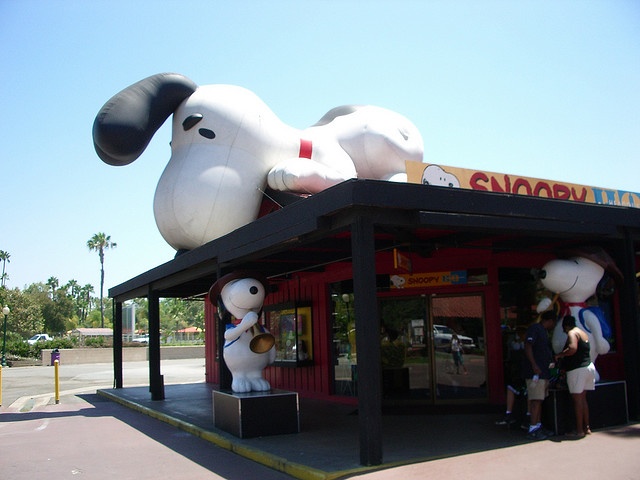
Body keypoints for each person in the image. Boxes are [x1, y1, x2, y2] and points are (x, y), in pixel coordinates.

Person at [555, 315, 596, 438]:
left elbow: (572, 348)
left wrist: (560, 355)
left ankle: (579, 430)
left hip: (577, 370)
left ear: (566, 326)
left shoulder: (572, 333)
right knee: (583, 400)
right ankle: (586, 427)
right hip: (588, 367)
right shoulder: (582, 333)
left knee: (577, 400)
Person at [522, 310, 556, 440]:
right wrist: (534, 365)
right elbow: (528, 345)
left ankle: (538, 425)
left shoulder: (544, 332)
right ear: (550, 321)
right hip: (536, 373)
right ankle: (532, 428)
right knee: (536, 400)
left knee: (540, 400)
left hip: (544, 372)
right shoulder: (535, 329)